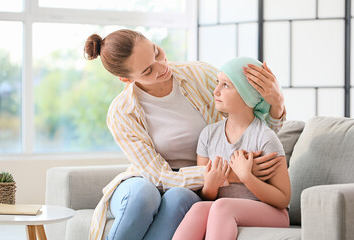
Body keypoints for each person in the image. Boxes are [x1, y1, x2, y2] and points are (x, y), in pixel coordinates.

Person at [83, 29, 286, 240]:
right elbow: (159, 177)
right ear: (126, 79)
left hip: (197, 185)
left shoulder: (201, 75)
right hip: (146, 181)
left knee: (179, 197)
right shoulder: (121, 112)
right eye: (147, 70)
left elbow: (250, 130)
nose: (162, 67)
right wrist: (226, 173)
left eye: (157, 52)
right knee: (143, 195)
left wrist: (276, 104)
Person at [172, 57, 291, 240]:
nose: (216, 91)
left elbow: (283, 199)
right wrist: (211, 185)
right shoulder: (208, 135)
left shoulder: (265, 137)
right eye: (217, 83)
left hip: (274, 213)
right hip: (228, 208)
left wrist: (246, 177)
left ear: (248, 94)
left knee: (222, 207)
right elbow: (206, 196)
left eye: (226, 85)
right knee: (198, 208)